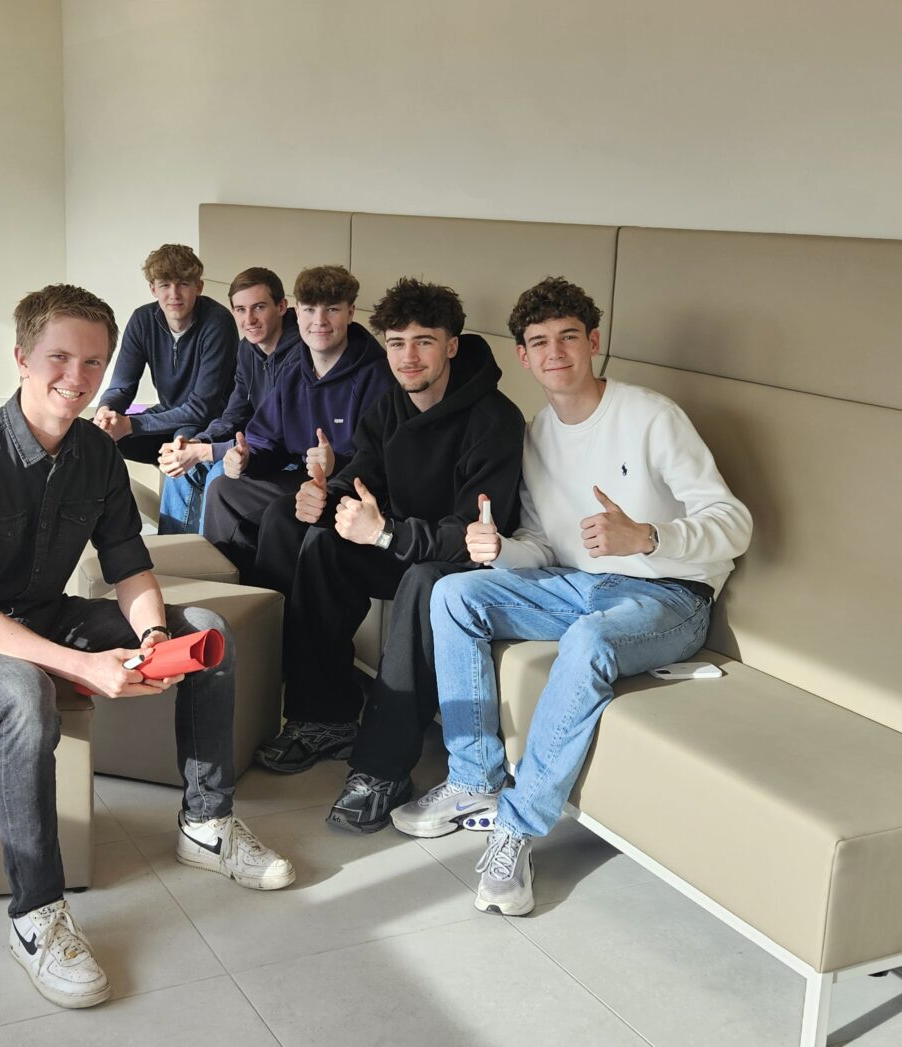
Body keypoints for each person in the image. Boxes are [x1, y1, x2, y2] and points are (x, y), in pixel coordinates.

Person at [0, 284, 294, 1011]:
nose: (77, 377)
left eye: (94, 362)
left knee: (206, 630)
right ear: (21, 358)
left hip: (42, 612)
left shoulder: (98, 455)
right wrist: (82, 667)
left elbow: (129, 566)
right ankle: (35, 916)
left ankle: (206, 824)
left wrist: (155, 637)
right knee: (25, 693)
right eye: (59, 357)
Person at [394, 276, 752, 917]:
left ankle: (516, 829)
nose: (555, 352)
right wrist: (500, 551)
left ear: (594, 342)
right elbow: (541, 542)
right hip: (578, 584)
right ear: (524, 357)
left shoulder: (651, 416)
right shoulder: (535, 436)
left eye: (568, 337)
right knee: (453, 593)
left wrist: (648, 536)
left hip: (670, 596)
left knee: (587, 640)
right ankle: (473, 779)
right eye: (539, 342)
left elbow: (734, 523)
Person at [250, 279, 526, 836]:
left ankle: (382, 769)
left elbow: (474, 531)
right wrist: (326, 495)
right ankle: (323, 716)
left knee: (425, 580)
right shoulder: (391, 404)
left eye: (424, 342)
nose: (408, 357)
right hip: (401, 541)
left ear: (451, 345)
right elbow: (363, 472)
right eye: (397, 343)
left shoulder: (495, 419)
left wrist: (386, 535)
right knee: (321, 543)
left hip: (469, 563)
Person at [203, 264, 391, 585]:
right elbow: (266, 440)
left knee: (282, 511)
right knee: (223, 489)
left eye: (332, 310)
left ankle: (271, 604)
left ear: (350, 312)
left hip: (350, 492)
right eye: (309, 310)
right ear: (297, 313)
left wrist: (337, 464)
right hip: (303, 480)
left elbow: (381, 463)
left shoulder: (376, 376)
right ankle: (231, 593)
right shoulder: (294, 372)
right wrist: (247, 458)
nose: (319, 321)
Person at [156, 267, 303, 534]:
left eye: (259, 307)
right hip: (251, 447)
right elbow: (233, 415)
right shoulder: (247, 349)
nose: (249, 319)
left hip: (285, 458)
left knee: (218, 474)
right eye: (240, 310)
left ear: (281, 307)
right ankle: (173, 555)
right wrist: (197, 443)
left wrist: (206, 452)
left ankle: (211, 558)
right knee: (180, 471)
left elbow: (280, 437)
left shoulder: (303, 352)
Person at [93, 244, 238, 463]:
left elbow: (201, 408)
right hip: (168, 414)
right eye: (165, 285)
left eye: (183, 284)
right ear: (153, 289)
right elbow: (122, 387)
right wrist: (106, 412)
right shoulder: (142, 320)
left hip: (209, 421)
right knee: (93, 437)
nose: (174, 294)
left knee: (181, 445)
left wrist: (130, 425)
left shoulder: (218, 322)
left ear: (199, 287)